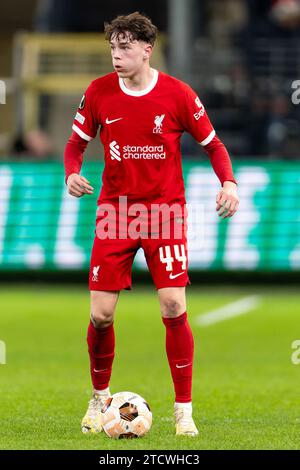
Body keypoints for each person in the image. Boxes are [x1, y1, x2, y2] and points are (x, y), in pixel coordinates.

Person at [64, 11, 239, 437]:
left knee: (173, 306)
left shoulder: (178, 95)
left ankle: (183, 411)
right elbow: (75, 144)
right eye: (112, 47)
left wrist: (229, 183)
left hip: (164, 214)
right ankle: (99, 398)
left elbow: (214, 145)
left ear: (147, 49)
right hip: (116, 215)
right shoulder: (99, 92)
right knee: (101, 315)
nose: (116, 55)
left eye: (125, 47)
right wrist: (72, 172)